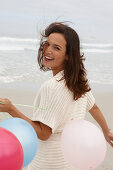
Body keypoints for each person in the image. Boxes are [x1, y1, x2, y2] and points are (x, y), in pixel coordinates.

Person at [0, 22, 113, 170]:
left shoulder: (51, 86)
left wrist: (11, 109)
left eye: (57, 48)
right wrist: (106, 131)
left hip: (46, 164)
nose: (47, 50)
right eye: (47, 44)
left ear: (68, 56)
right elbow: (95, 107)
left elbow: (44, 133)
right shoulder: (78, 82)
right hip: (69, 163)